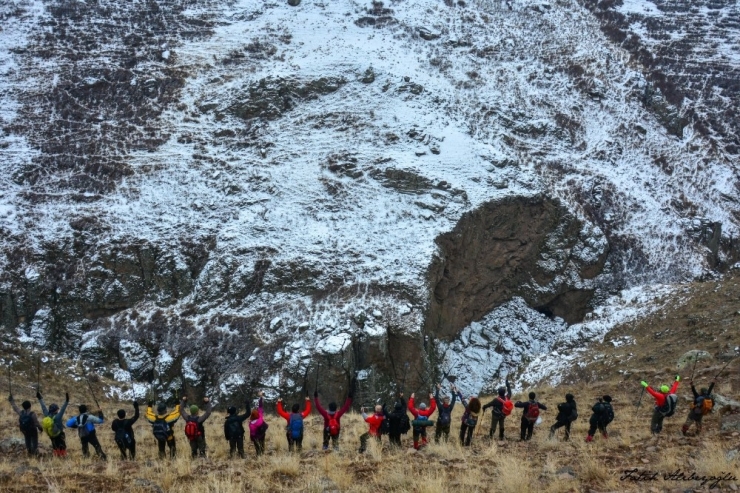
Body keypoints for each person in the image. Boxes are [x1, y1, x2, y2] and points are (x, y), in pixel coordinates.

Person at [314, 378, 355, 450]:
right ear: (336, 408)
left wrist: (316, 397)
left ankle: (325, 450)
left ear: (329, 407)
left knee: (325, 442)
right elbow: (346, 406)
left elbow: (318, 407)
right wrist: (349, 398)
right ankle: (336, 451)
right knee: (335, 442)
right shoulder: (338, 414)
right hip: (336, 429)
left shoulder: (325, 414)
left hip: (327, 429)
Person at [39, 391, 69, 457]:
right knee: (62, 446)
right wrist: (67, 401)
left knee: (55, 446)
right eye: (57, 409)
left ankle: (56, 456)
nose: (58, 410)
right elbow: (63, 409)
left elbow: (43, 407)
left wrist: (40, 399)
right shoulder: (58, 416)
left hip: (51, 435)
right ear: (56, 410)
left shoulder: (47, 415)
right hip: (59, 434)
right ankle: (63, 456)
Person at [248, 392, 267, 456]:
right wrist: (261, 397)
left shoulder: (251, 424)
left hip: (255, 437)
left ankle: (258, 454)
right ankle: (262, 452)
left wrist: (252, 438)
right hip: (262, 434)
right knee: (262, 443)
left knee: (257, 446)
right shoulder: (260, 417)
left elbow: (252, 433)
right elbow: (261, 406)